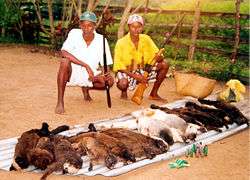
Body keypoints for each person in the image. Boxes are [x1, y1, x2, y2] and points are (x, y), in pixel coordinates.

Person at [55, 11, 114, 114]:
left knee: (109, 82)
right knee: (64, 62)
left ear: (95, 26)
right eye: (83, 25)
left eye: (90, 25)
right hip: (73, 71)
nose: (86, 28)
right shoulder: (74, 33)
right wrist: (85, 65)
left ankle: (86, 88)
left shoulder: (102, 40)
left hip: (90, 75)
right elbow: (63, 52)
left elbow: (106, 64)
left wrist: (105, 75)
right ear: (80, 25)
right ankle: (60, 102)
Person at [113, 14, 169, 101]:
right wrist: (136, 76)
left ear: (142, 27)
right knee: (123, 84)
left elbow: (158, 55)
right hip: (127, 70)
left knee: (165, 64)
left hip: (143, 68)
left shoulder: (146, 39)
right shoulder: (121, 42)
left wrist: (159, 58)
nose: (136, 29)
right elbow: (118, 66)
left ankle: (153, 94)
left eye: (139, 26)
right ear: (128, 27)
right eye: (133, 26)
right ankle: (124, 92)